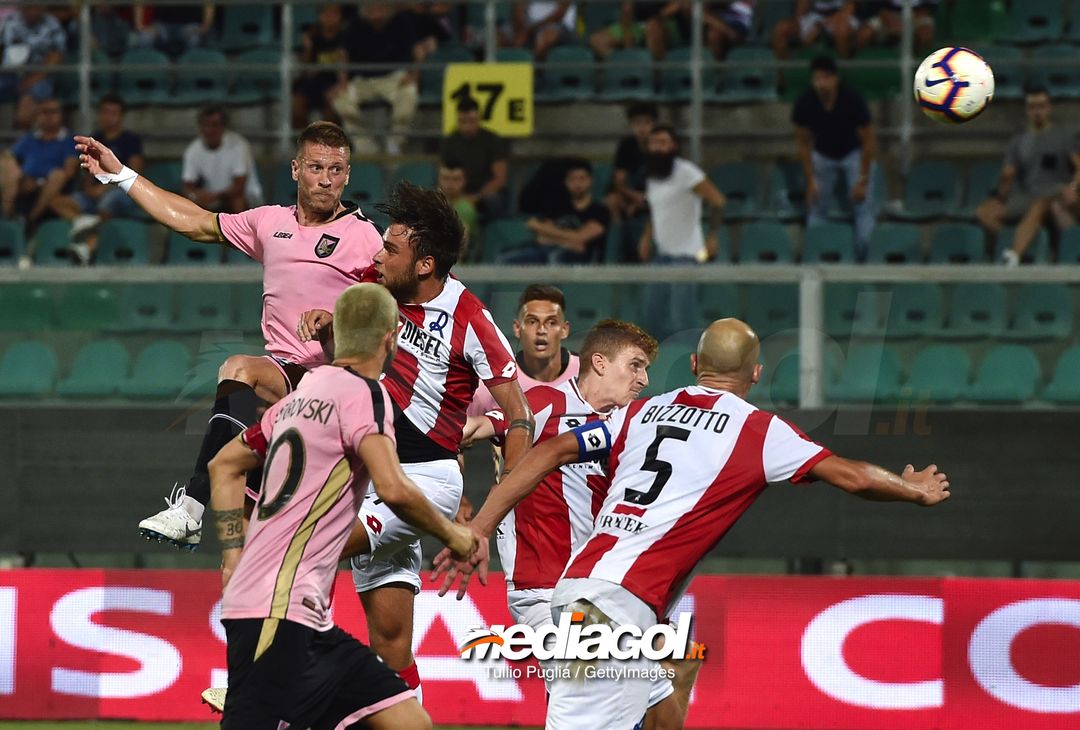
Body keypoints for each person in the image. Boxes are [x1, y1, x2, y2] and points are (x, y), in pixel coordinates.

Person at [437, 317, 952, 730]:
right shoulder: (760, 430)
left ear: (692, 364)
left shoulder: (641, 412)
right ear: (756, 375)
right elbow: (853, 476)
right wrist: (913, 489)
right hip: (614, 607)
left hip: (589, 589)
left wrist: (481, 524)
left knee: (668, 688)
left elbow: (548, 450)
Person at [75, 121, 385, 550]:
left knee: (239, 367)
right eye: (316, 168)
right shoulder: (269, 223)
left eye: (337, 170)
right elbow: (196, 222)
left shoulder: (364, 237)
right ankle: (226, 562)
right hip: (283, 380)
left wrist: (335, 322)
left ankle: (190, 509)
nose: (327, 179)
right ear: (296, 170)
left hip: (334, 383)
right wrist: (120, 175)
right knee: (240, 535)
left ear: (348, 174)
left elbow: (390, 313)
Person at [296, 181, 534, 705]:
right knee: (392, 645)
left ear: (424, 264)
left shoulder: (470, 317)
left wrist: (489, 520)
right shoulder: (377, 286)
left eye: (391, 249)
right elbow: (347, 337)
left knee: (307, 549)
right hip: (373, 477)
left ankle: (276, 677)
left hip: (426, 479)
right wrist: (325, 323)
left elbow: (521, 417)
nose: (378, 256)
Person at [209, 282, 477, 730]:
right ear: (389, 337)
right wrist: (455, 535)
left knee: (409, 720)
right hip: (278, 612)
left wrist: (235, 557)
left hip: (292, 612)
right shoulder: (366, 395)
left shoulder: (300, 397)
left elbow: (223, 465)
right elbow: (393, 488)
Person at [462, 319, 701, 730]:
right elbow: (467, 430)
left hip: (602, 589)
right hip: (542, 588)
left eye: (646, 370)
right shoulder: (538, 404)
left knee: (675, 670)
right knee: (589, 698)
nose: (643, 379)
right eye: (635, 366)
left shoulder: (632, 425)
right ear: (600, 363)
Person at [638, 124, 726, 340]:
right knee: (651, 315)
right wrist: (646, 237)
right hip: (662, 254)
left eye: (663, 143)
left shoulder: (686, 172)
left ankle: (690, 367)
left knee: (682, 319)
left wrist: (713, 236)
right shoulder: (652, 175)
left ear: (674, 146)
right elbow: (655, 210)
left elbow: (718, 201)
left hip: (689, 255)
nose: (658, 148)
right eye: (654, 143)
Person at [976, 85, 1077, 266]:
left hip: (1055, 193)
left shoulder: (1063, 136)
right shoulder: (1019, 140)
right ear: (1027, 110)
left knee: (1040, 204)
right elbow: (1008, 173)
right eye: (1033, 107)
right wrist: (1001, 197)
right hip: (1026, 194)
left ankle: (1014, 255)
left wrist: (1072, 188)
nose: (1038, 111)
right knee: (984, 212)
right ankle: (1025, 239)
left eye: (1042, 106)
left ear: (1049, 108)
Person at [793, 54, 877, 261]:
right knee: (816, 206)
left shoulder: (852, 99)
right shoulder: (806, 102)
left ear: (835, 79)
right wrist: (811, 180)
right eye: (817, 79)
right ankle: (814, 257)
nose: (821, 84)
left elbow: (868, 142)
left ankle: (864, 257)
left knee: (863, 207)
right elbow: (803, 144)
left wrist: (863, 180)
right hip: (822, 155)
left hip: (852, 153)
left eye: (825, 78)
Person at [48, 93, 144, 264]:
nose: (109, 117)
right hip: (93, 192)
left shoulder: (131, 140)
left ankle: (87, 247)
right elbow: (87, 169)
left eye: (114, 113)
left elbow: (134, 173)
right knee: (56, 201)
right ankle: (82, 221)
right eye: (105, 112)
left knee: (108, 203)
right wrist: (89, 188)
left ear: (121, 116)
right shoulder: (95, 139)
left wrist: (105, 188)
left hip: (119, 190)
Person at [332, 3, 423, 155]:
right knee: (340, 98)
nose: (376, 14)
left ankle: (395, 142)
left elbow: (418, 52)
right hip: (362, 80)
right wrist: (342, 81)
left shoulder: (402, 22)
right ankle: (365, 146)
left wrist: (414, 74)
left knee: (409, 92)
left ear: (389, 10)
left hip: (393, 78)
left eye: (380, 8)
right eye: (371, 10)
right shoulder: (355, 25)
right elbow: (342, 55)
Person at [501, 158, 610, 264]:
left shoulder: (599, 211)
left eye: (582, 179)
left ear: (590, 181)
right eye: (572, 179)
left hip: (582, 260)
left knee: (554, 257)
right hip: (550, 251)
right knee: (506, 260)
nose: (577, 184)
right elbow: (541, 238)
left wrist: (539, 226)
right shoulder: (558, 207)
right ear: (566, 182)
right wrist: (569, 241)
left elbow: (581, 237)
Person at [0, 97, 76, 240]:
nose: (49, 116)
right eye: (44, 112)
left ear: (61, 115)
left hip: (52, 186)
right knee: (6, 164)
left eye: (53, 112)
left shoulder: (68, 140)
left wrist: (39, 182)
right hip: (23, 184)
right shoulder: (30, 138)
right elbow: (8, 156)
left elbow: (69, 171)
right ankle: (8, 215)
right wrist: (18, 175)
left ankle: (31, 219)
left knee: (58, 175)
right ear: (37, 115)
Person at [181, 105, 263, 214]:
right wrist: (195, 196)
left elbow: (239, 186)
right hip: (213, 197)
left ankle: (240, 231)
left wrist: (215, 196)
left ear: (223, 127)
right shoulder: (193, 150)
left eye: (214, 125)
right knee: (189, 204)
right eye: (205, 125)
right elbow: (187, 186)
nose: (209, 130)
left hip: (245, 197)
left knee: (237, 201)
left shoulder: (238, 145)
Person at [438, 96, 510, 218]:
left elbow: (500, 179)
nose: (467, 126)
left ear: (478, 118)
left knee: (493, 200)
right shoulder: (450, 141)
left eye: (471, 121)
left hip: (484, 193)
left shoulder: (492, 140)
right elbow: (444, 173)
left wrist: (475, 197)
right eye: (463, 122)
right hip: (456, 190)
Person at [0, 5, 66, 130]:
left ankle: (21, 136)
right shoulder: (10, 20)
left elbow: (56, 56)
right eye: (27, 7)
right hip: (10, 73)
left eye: (35, 7)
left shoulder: (51, 24)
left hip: (41, 75)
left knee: (28, 99)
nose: (31, 11)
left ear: (42, 7)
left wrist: (33, 78)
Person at [291, 3, 346, 131]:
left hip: (334, 80)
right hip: (314, 79)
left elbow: (346, 67)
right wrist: (308, 48)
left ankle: (328, 146)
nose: (329, 18)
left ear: (340, 17)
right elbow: (305, 67)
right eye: (326, 14)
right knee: (297, 106)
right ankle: (304, 143)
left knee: (331, 108)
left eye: (334, 14)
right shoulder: (313, 35)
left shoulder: (346, 36)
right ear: (320, 16)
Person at [606, 103, 656, 239]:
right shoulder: (626, 145)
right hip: (632, 194)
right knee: (612, 201)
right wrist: (633, 197)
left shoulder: (661, 145)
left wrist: (644, 199)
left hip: (655, 195)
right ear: (631, 125)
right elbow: (619, 180)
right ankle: (618, 239)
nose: (642, 128)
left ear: (654, 125)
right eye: (637, 123)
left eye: (647, 123)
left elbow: (667, 182)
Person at [773, 1, 857, 59]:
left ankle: (844, 73)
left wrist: (819, 27)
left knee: (842, 30)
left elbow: (849, 8)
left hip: (841, 15)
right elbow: (802, 7)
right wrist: (801, 29)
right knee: (781, 28)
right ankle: (782, 78)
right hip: (815, 15)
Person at [132, 2, 215, 58]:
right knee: (145, 37)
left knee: (194, 40)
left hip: (189, 26)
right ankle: (148, 76)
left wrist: (206, 26)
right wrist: (139, 25)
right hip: (161, 25)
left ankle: (188, 77)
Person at [857, 0, 938, 52]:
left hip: (917, 15)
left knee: (925, 34)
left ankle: (919, 71)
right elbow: (877, 6)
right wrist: (892, 21)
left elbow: (929, 7)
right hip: (888, 15)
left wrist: (908, 22)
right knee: (864, 34)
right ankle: (858, 72)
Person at [507, 1, 576, 61]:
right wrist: (521, 30)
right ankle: (502, 71)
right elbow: (519, 8)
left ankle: (528, 69)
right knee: (498, 36)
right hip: (528, 24)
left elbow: (559, 14)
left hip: (558, 25)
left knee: (547, 35)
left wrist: (528, 31)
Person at [436, 158, 477, 249]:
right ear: (438, 179)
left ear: (464, 182)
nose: (450, 184)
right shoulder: (432, 204)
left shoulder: (465, 208)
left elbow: (460, 245)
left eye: (456, 179)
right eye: (445, 178)